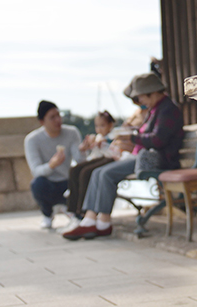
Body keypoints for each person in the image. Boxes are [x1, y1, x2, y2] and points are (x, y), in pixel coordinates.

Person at [61, 72, 183, 241]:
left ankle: (101, 222)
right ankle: (91, 219)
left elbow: (157, 140)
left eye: (141, 97)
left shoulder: (167, 110)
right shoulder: (157, 109)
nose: (141, 102)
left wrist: (131, 137)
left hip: (157, 160)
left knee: (106, 174)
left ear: (152, 92)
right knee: (98, 173)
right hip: (145, 156)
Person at [25, 100, 83, 230]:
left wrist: (83, 150)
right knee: (37, 184)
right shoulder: (32, 140)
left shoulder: (71, 132)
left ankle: (72, 211)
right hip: (49, 182)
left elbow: (80, 161)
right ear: (42, 122)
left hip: (68, 181)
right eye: (52, 117)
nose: (58, 120)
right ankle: (47, 214)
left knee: (82, 179)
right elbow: (36, 171)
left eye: (59, 115)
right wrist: (51, 165)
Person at [65, 110, 120, 221]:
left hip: (110, 158)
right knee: (74, 170)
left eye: (102, 125)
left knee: (86, 173)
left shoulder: (114, 135)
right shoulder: (97, 137)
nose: (99, 129)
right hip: (99, 159)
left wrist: (102, 142)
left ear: (110, 125)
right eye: (97, 126)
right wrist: (84, 148)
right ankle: (73, 210)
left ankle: (84, 211)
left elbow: (111, 143)